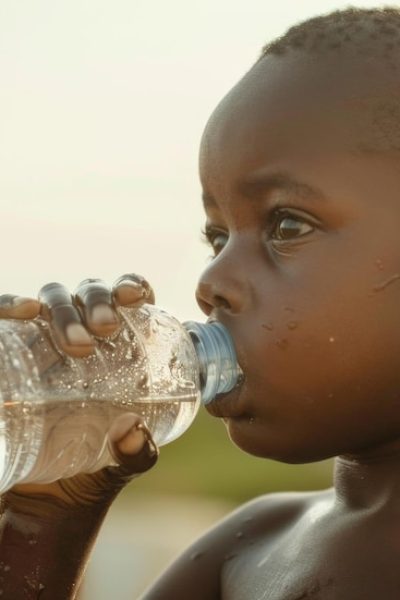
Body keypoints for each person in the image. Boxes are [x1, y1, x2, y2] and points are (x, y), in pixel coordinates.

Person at [2, 5, 400, 598]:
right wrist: (40, 528)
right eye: (217, 236)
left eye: (286, 226)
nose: (210, 279)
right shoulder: (252, 551)